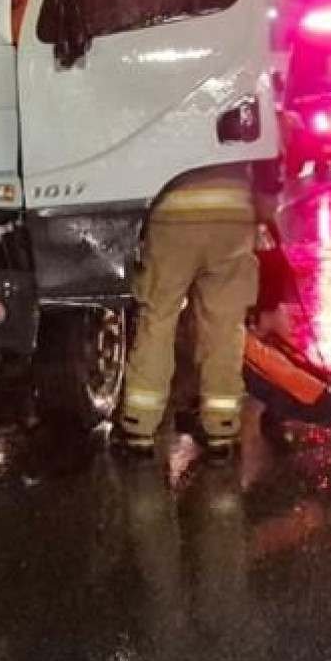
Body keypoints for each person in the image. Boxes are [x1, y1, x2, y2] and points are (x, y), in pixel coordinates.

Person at [118, 163, 263, 457]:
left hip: (172, 214)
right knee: (224, 328)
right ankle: (221, 427)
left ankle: (139, 427)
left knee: (157, 321)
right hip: (233, 217)